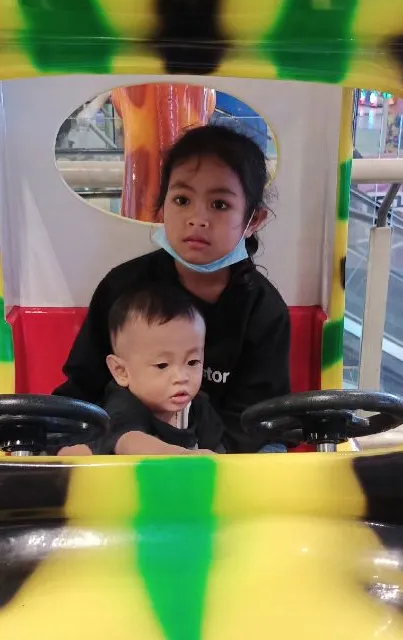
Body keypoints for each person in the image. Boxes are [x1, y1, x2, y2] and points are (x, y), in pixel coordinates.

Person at [54, 124, 290, 453]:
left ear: (254, 220)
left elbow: (257, 421)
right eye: (181, 199)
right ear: (162, 205)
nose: (197, 218)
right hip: (121, 451)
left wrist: (205, 466)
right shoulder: (122, 287)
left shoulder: (263, 309)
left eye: (220, 205)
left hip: (219, 457)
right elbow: (82, 390)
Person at [70, 284, 225, 456]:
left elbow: (218, 452)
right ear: (121, 371)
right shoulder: (124, 404)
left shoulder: (198, 407)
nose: (181, 377)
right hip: (120, 480)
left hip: (172, 482)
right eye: (162, 365)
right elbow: (129, 441)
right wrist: (182, 457)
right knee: (78, 454)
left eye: (193, 362)